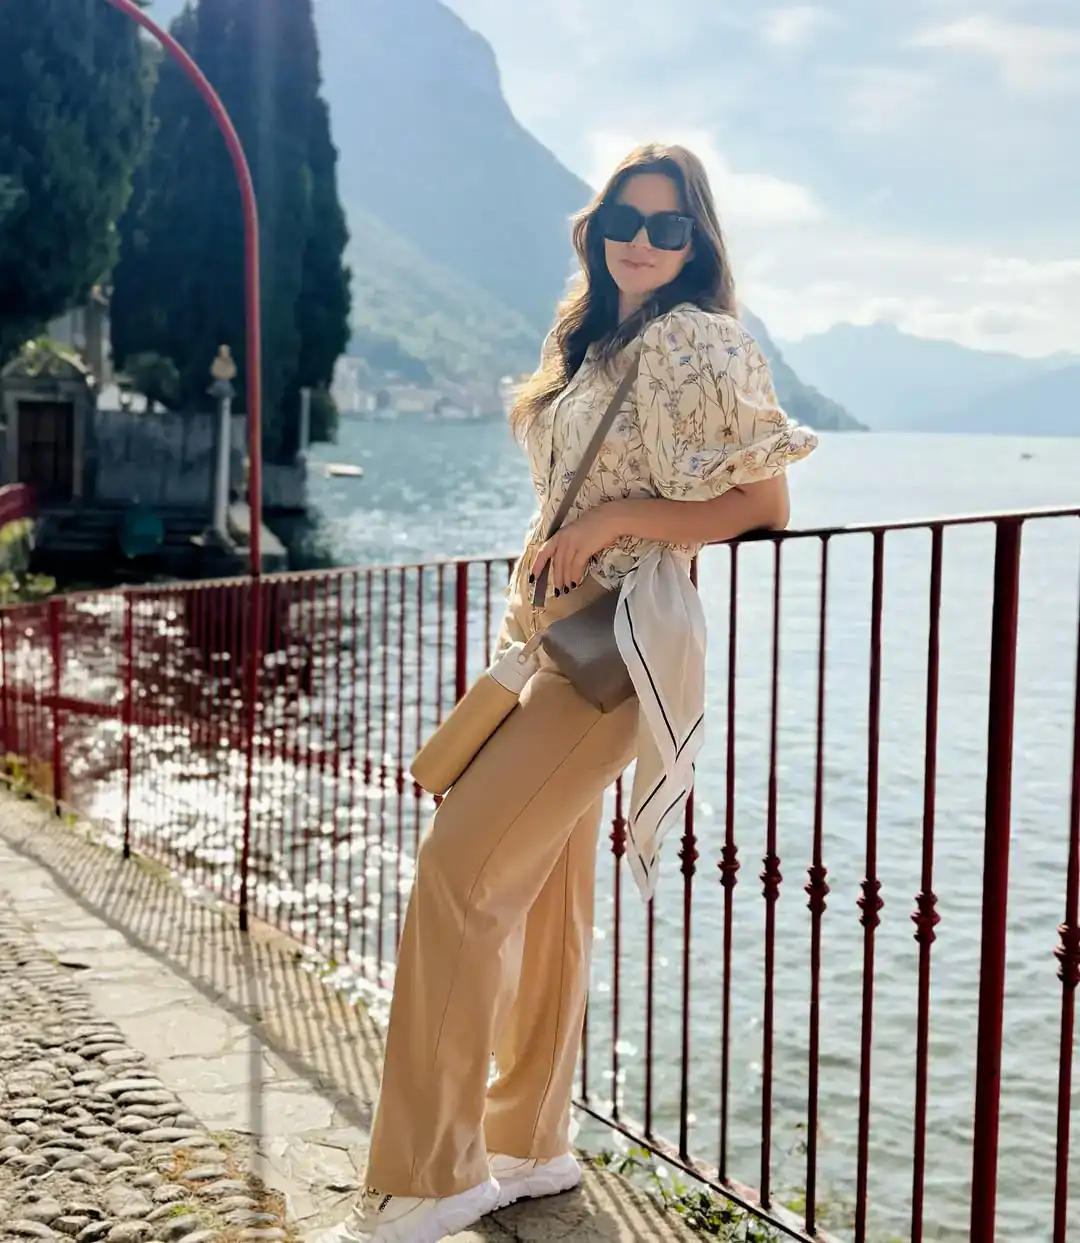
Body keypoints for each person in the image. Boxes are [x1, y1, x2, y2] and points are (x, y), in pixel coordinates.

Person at [328, 142, 817, 1243]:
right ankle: (527, 1141)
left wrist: (613, 522)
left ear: (695, 244)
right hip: (553, 638)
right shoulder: (594, 340)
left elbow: (765, 505)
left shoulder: (696, 340)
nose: (641, 240)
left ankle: (430, 1175)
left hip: (615, 645)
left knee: (458, 871)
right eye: (623, 221)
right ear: (595, 230)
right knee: (546, 895)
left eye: (667, 226)